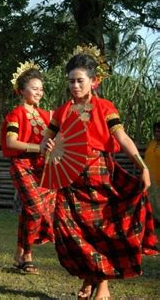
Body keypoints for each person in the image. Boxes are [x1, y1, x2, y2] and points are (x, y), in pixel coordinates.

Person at [41, 46, 158, 300]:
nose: (74, 86)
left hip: (100, 176)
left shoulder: (105, 108)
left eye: (80, 81)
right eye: (71, 81)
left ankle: (102, 282)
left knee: (102, 231)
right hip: (69, 179)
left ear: (94, 82)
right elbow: (45, 142)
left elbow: (122, 137)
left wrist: (142, 166)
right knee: (70, 230)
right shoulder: (62, 111)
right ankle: (87, 275)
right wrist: (46, 147)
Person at [0, 61, 55, 275]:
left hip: (43, 168)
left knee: (30, 211)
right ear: (22, 91)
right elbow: (12, 142)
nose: (39, 92)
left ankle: (21, 252)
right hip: (22, 165)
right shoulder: (15, 115)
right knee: (35, 209)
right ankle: (27, 253)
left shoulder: (46, 116)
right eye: (34, 88)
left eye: (41, 89)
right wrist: (38, 147)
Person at [144, 122, 160, 223]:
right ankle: (154, 219)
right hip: (150, 178)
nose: (157, 133)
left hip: (159, 179)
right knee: (151, 200)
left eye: (159, 131)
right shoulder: (152, 143)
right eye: (156, 131)